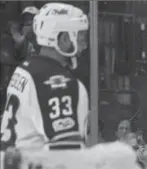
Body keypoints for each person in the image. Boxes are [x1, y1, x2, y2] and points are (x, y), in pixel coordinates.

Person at [0, 2, 89, 151]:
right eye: (80, 36)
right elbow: (66, 154)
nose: (84, 45)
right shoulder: (60, 84)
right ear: (64, 39)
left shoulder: (25, 69)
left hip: (12, 168)